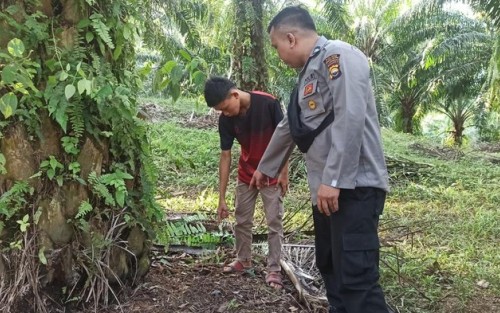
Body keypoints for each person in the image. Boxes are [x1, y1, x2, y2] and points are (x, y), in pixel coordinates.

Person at [250, 6, 391, 313]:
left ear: (290, 38)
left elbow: (350, 115)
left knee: (357, 280)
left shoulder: (338, 57)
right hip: (326, 194)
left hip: (353, 189)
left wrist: (335, 179)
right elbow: (291, 125)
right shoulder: (306, 77)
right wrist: (266, 168)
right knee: (333, 273)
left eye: (276, 48)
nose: (278, 55)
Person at [204, 76, 289, 289]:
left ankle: (274, 269)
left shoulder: (268, 103)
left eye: (225, 107)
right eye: (220, 111)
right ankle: (243, 259)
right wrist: (221, 197)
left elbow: (285, 137)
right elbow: (226, 156)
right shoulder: (226, 120)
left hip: (271, 174)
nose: (225, 113)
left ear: (234, 94)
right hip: (247, 174)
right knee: (241, 219)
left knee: (274, 222)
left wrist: (283, 172)